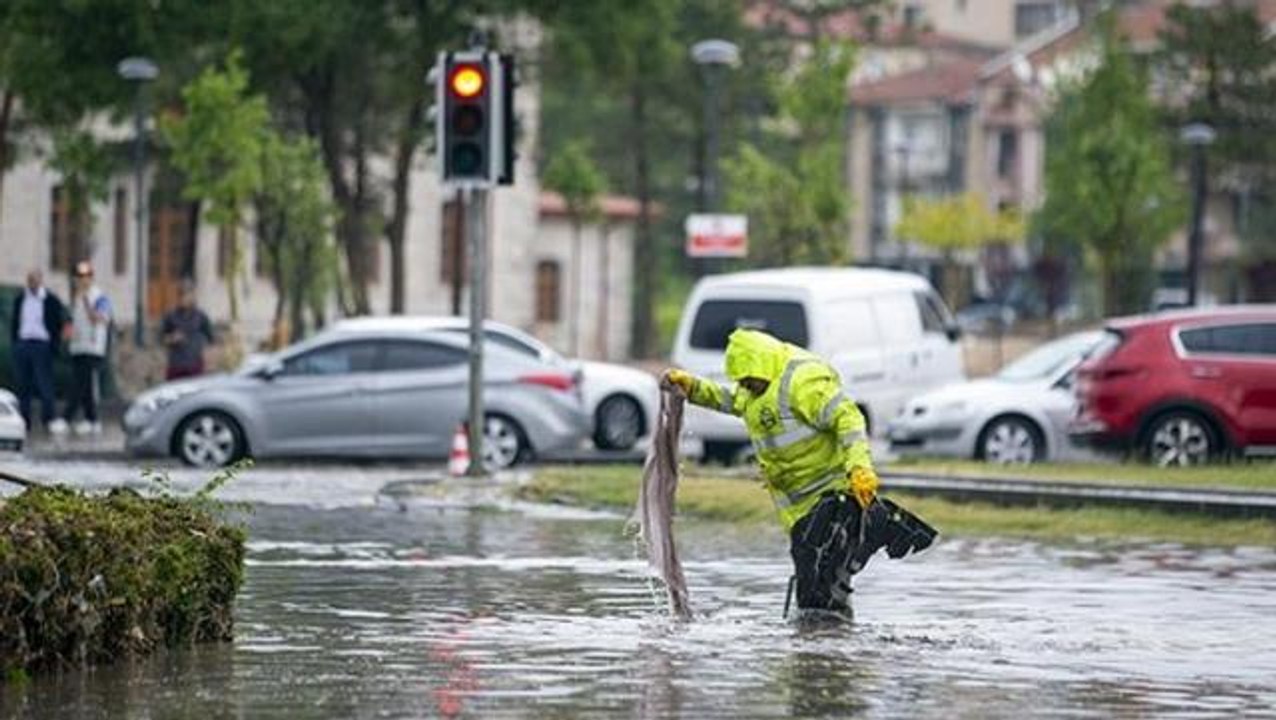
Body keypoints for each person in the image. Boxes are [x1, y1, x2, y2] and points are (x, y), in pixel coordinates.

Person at [664, 328, 930, 617]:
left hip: (833, 496)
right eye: (742, 382)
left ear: (762, 365)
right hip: (799, 509)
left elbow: (848, 417)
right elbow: (728, 400)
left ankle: (823, 648)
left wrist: (860, 468)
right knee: (819, 580)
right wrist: (691, 387)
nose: (746, 386)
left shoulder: (803, 382)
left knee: (818, 579)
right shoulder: (754, 389)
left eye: (749, 380)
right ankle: (826, 646)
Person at [54, 261, 112, 436]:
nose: (82, 280)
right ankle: (92, 420)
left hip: (93, 347)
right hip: (79, 346)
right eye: (79, 277)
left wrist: (86, 301)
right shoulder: (76, 298)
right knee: (85, 386)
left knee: (79, 384)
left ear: (91, 278)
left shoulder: (99, 297)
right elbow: (73, 321)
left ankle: (66, 418)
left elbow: (99, 318)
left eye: (86, 277)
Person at [8, 270, 67, 430]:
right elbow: (15, 321)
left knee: (44, 383)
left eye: (35, 280)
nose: (33, 283)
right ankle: (24, 420)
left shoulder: (50, 300)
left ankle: (48, 419)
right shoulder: (21, 299)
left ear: (41, 281)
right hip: (23, 343)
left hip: (42, 345)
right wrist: (15, 343)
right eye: (30, 280)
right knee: (23, 384)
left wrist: (54, 344)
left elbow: (57, 323)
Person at [161, 281, 215, 380]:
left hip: (195, 366)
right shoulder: (171, 316)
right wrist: (172, 338)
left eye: (187, 294)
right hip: (176, 367)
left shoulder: (201, 316)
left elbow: (211, 339)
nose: (184, 298)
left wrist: (209, 360)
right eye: (181, 295)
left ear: (193, 296)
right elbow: (161, 339)